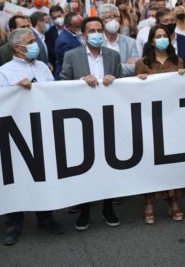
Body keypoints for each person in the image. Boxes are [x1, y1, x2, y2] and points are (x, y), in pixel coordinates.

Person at [0, 28, 66, 244]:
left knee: (43, 174)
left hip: (43, 129)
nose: (36, 45)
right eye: (31, 41)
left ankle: (45, 216)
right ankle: (14, 223)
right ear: (17, 48)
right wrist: (14, 89)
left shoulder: (42, 67)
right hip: (17, 133)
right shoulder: (4, 72)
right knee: (16, 178)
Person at [60, 17, 122, 231]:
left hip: (108, 118)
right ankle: (85, 209)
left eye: (99, 29)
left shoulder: (113, 55)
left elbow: (124, 85)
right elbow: (62, 82)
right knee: (84, 165)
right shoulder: (72, 55)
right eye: (91, 30)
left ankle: (107, 207)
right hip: (82, 120)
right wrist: (80, 82)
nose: (96, 33)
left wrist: (114, 78)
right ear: (84, 35)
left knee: (108, 163)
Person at [136, 25, 185, 224]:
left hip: (173, 117)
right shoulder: (142, 63)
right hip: (150, 118)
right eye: (158, 36)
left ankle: (173, 200)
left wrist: (184, 77)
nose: (161, 39)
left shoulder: (178, 61)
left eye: (165, 36)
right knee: (152, 160)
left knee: (172, 161)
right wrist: (139, 80)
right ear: (151, 41)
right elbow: (135, 93)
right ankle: (149, 201)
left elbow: (184, 89)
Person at [98, 4, 139, 76]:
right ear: (101, 21)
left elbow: (136, 67)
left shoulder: (130, 42)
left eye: (115, 16)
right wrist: (125, 66)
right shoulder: (96, 42)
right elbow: (96, 68)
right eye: (108, 17)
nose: (113, 19)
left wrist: (106, 67)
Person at [53, 12, 83, 79]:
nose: (80, 28)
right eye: (78, 26)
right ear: (68, 26)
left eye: (81, 25)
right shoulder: (64, 41)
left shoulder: (74, 34)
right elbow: (68, 63)